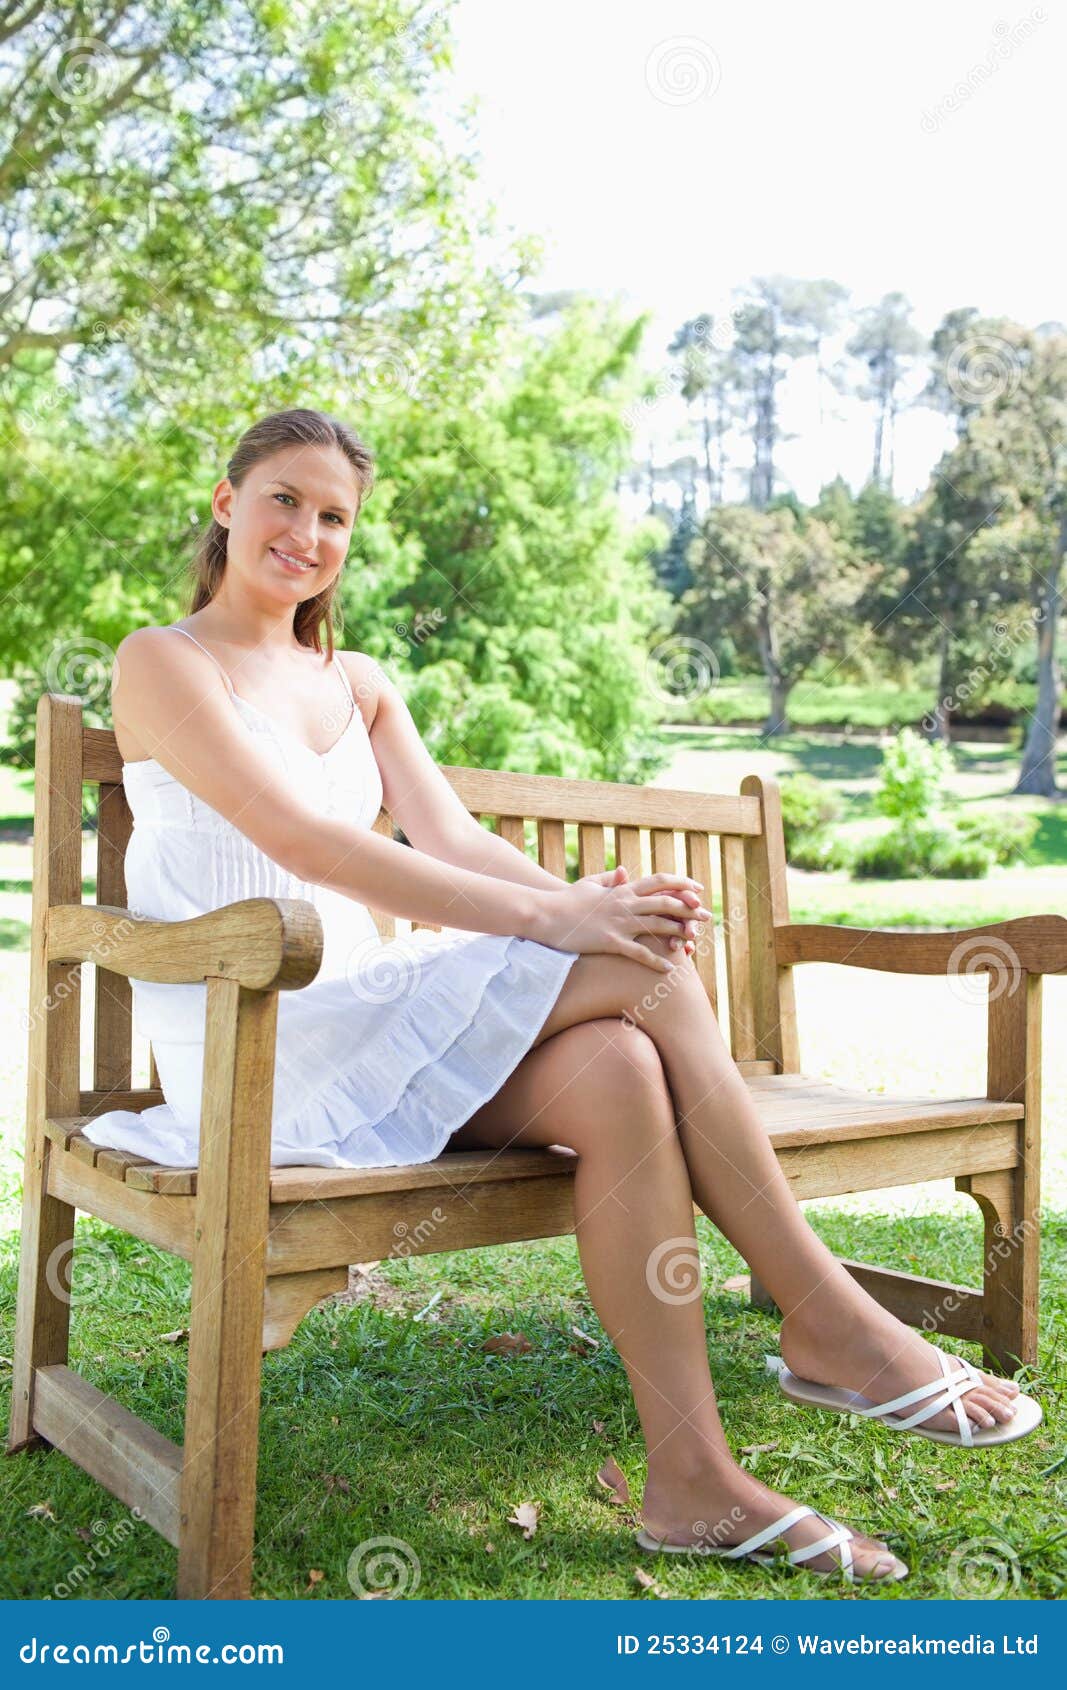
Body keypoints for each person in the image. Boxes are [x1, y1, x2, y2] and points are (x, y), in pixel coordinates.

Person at [83, 407, 1036, 1588]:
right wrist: (564, 921)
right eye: (284, 498)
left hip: (371, 1016)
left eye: (335, 516)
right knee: (640, 972)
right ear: (227, 504)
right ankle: (822, 1313)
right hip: (256, 1025)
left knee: (625, 1064)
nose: (307, 532)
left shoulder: (360, 682)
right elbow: (308, 844)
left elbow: (448, 833)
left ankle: (689, 1480)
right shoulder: (161, 660)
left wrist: (598, 901)